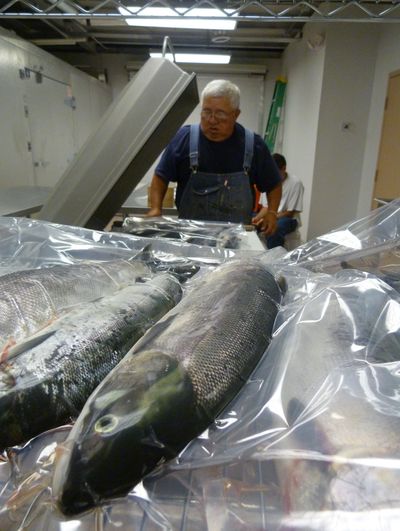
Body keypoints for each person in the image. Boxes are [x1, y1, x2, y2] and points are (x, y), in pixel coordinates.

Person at [146, 79, 282, 235]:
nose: (211, 120)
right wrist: (156, 208)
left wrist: (272, 213)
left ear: (236, 114)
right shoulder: (184, 138)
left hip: (236, 237)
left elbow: (274, 184)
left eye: (220, 114)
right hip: (190, 236)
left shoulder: (253, 145)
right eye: (206, 112)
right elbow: (161, 176)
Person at [261, 153, 304, 248]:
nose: (272, 175)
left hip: (289, 219)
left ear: (284, 168)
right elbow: (265, 207)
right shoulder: (268, 180)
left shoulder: (295, 183)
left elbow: (290, 213)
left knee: (274, 229)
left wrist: (271, 218)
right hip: (272, 215)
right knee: (248, 220)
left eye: (275, 172)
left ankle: (274, 259)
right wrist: (257, 218)